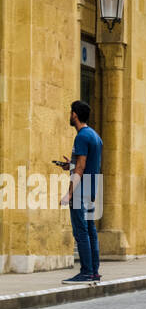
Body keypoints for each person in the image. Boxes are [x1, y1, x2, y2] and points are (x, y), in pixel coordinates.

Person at [58, 101, 102, 284]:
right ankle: (94, 272)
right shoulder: (94, 135)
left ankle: (86, 272)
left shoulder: (82, 136)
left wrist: (69, 193)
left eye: (70, 112)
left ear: (75, 114)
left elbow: (82, 167)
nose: (70, 115)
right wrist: (71, 165)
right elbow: (84, 163)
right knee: (90, 230)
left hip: (81, 191)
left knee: (81, 231)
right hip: (92, 188)